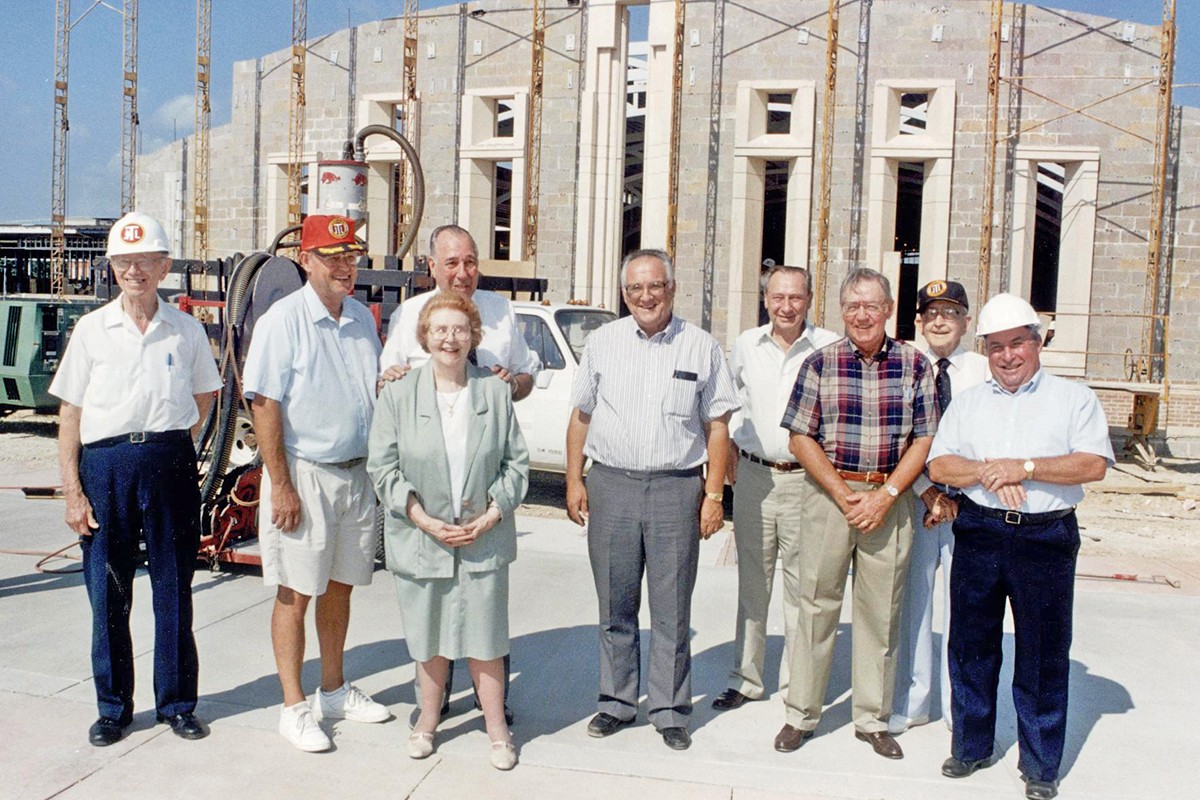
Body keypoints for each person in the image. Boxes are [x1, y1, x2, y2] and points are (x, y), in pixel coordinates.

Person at [928, 293, 1113, 800]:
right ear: (985, 350)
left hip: (1045, 537)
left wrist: (1025, 467)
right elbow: (941, 467)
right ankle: (970, 745)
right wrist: (992, 470)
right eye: (996, 347)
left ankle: (1040, 764)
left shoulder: (1073, 399)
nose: (1008, 356)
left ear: (1038, 343)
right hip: (980, 531)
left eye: (1017, 344)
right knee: (970, 645)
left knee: (1043, 652)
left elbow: (1093, 463)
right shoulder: (969, 403)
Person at [51, 211, 222, 746]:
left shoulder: (186, 329)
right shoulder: (92, 330)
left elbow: (204, 397)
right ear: (112, 267)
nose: (134, 270)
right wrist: (74, 491)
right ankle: (113, 708)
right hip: (104, 467)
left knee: (174, 589)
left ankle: (176, 703)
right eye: (124, 261)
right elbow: (71, 416)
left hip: (169, 463)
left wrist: (173, 448)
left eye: (145, 260)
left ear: (164, 265)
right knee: (108, 593)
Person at [565, 248, 738, 751]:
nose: (646, 296)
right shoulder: (602, 343)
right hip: (612, 486)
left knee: (671, 608)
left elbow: (718, 425)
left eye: (655, 286)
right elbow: (580, 417)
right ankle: (616, 703)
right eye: (635, 288)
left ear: (671, 289)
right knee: (616, 604)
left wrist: (713, 495)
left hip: (675, 488)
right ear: (624, 294)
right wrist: (575, 481)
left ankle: (669, 708)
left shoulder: (701, 347)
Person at [776, 267, 938, 759]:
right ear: (841, 311)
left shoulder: (914, 365)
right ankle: (801, 714)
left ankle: (872, 719)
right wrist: (843, 494)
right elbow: (800, 436)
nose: (862, 315)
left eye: (871, 305)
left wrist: (886, 495)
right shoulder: (819, 364)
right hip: (829, 497)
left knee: (880, 613)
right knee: (815, 606)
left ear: (888, 309)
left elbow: (924, 438)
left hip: (889, 499)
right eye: (852, 306)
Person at [379, 224, 538, 723]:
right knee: (432, 609)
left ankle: (496, 707)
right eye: (451, 263)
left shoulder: (503, 311)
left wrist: (513, 384)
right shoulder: (408, 315)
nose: (463, 272)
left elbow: (528, 375)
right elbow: (389, 379)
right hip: (428, 478)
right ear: (431, 265)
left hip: (483, 471)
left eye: (470, 262)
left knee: (487, 614)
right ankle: (436, 703)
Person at [242, 214, 389, 752]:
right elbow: (263, 402)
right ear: (307, 261)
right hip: (304, 475)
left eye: (351, 257)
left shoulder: (360, 318)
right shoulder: (284, 320)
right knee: (296, 591)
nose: (345, 267)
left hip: (355, 474)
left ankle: (333, 689)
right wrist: (280, 484)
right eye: (332, 257)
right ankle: (293, 706)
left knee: (341, 587)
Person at [712, 264, 841, 712]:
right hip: (755, 478)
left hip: (810, 482)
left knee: (804, 588)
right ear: (766, 299)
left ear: (809, 300)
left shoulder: (829, 347)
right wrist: (727, 457)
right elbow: (729, 407)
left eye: (796, 298)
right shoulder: (747, 344)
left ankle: (797, 687)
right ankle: (746, 678)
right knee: (753, 584)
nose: (786, 307)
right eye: (778, 298)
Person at [889, 280, 990, 735]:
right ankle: (914, 703)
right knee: (917, 606)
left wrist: (958, 493)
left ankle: (958, 708)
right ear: (918, 321)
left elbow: (991, 441)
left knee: (966, 611)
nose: (940, 320)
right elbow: (896, 438)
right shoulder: (904, 365)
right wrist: (928, 491)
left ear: (967, 321)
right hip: (919, 500)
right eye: (931, 313)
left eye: (950, 312)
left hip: (971, 505)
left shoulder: (985, 372)